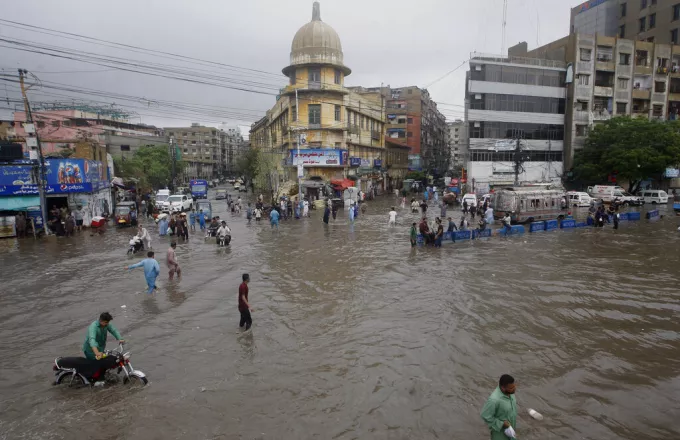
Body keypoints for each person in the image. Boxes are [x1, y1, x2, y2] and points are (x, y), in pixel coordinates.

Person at [481, 374, 518, 440]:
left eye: (514, 386)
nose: (514, 389)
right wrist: (502, 424)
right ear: (503, 388)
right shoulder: (494, 400)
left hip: (511, 431)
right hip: (500, 434)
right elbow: (485, 415)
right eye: (511, 388)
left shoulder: (510, 393)